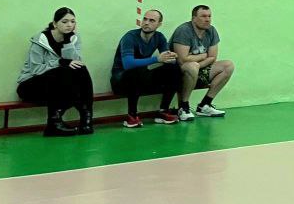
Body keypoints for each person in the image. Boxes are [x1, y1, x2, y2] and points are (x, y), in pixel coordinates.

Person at [17, 7, 95, 136]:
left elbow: (75, 62)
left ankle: (86, 119)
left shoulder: (74, 38)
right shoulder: (40, 40)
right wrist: (60, 62)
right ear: (55, 24)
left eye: (73, 22)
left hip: (57, 87)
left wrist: (68, 42)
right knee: (62, 71)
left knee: (80, 68)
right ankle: (53, 124)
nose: (69, 25)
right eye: (64, 22)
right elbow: (35, 69)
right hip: (30, 86)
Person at [111, 9, 181, 128]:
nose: (146, 22)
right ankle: (132, 115)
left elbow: (167, 58)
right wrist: (156, 59)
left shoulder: (159, 37)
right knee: (136, 71)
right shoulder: (130, 37)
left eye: (152, 20)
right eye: (145, 19)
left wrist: (172, 57)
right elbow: (128, 64)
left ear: (159, 24)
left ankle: (163, 110)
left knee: (173, 68)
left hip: (141, 78)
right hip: (121, 81)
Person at [170, 5, 235, 120]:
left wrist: (197, 63)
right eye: (203, 16)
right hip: (178, 72)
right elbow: (182, 60)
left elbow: (213, 57)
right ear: (194, 18)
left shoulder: (211, 30)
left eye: (209, 16)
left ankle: (205, 105)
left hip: (198, 68)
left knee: (228, 66)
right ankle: (183, 107)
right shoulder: (184, 30)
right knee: (192, 67)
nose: (207, 19)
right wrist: (203, 56)